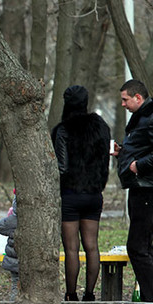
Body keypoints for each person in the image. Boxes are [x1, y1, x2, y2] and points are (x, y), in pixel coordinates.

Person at [52, 85, 110, 302]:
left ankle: (71, 294)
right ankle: (90, 294)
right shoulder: (101, 127)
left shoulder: (63, 130)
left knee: (71, 248)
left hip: (70, 194)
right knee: (92, 246)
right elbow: (105, 161)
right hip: (94, 194)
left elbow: (62, 166)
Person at [111, 79, 153, 302]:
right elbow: (143, 145)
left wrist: (139, 165)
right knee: (144, 245)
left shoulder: (149, 117)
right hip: (139, 186)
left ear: (138, 98)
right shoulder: (142, 119)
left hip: (146, 187)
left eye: (125, 99)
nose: (123, 104)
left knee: (137, 247)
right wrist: (124, 152)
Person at [0, 191, 19, 302]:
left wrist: (11, 215)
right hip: (31, 263)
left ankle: (13, 301)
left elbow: (0, 226)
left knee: (16, 287)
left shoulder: (12, 220)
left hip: (13, 262)